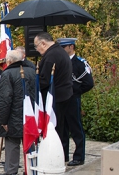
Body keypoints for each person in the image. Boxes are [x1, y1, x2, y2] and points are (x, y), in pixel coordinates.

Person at [0, 49, 36, 175]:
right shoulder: (32, 71)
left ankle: (11, 171)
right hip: (30, 113)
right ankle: (31, 168)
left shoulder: (7, 74)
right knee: (29, 140)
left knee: (12, 142)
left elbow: (5, 98)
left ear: (9, 61)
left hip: (14, 114)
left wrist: (3, 120)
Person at [34, 32, 73, 156]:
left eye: (36, 46)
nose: (36, 49)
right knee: (62, 128)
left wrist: (32, 84)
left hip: (55, 98)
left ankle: (54, 155)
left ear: (43, 43)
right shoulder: (60, 51)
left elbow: (44, 80)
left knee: (54, 129)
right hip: (64, 95)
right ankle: (63, 154)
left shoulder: (51, 56)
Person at [58, 38, 94, 166]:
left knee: (75, 128)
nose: (61, 50)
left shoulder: (79, 63)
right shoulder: (61, 62)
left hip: (72, 99)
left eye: (64, 47)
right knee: (62, 128)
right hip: (61, 98)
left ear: (71, 47)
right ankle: (63, 155)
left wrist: (76, 92)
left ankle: (79, 157)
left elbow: (89, 83)